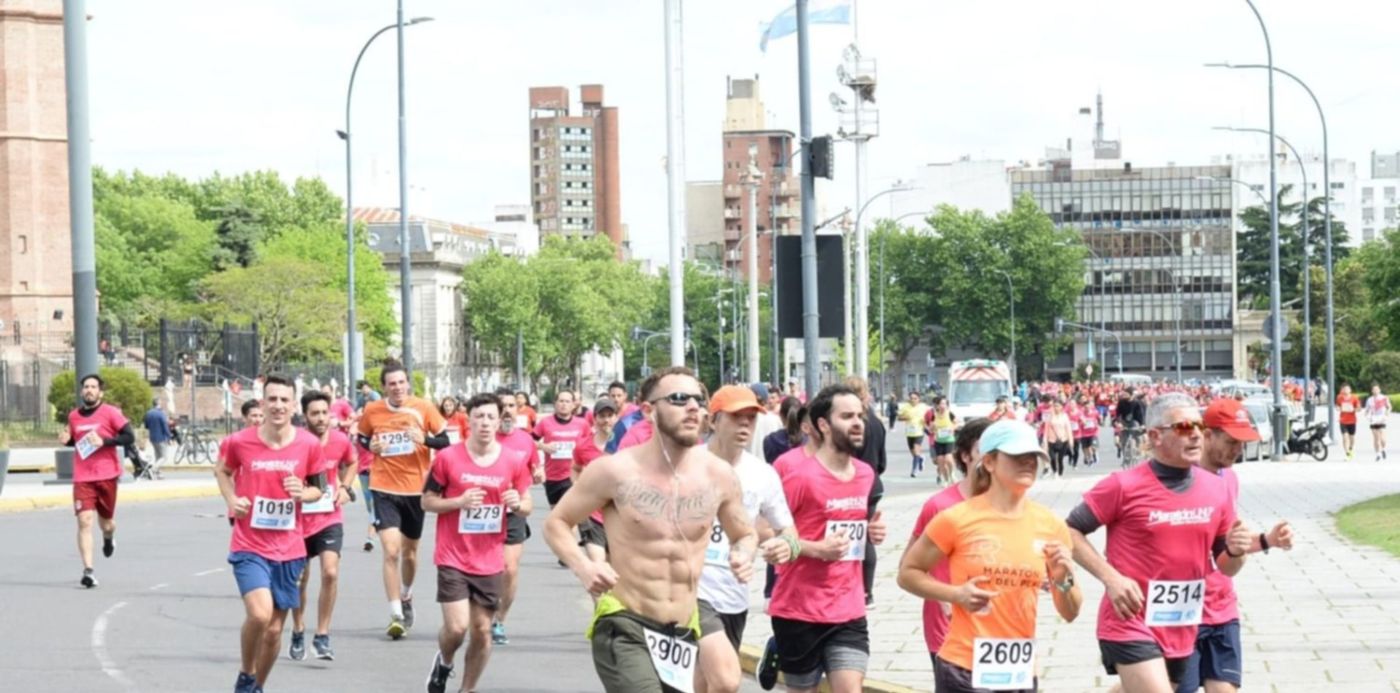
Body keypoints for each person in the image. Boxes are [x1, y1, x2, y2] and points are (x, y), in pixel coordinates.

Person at [543, 367, 758, 693]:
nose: (692, 408)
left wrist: (742, 553)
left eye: (698, 400)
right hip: (626, 622)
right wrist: (584, 566)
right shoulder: (614, 471)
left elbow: (744, 533)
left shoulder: (719, 476)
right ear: (648, 411)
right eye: (677, 399)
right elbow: (556, 523)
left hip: (683, 628)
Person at [1066, 392, 1252, 692]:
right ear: (1155, 436)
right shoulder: (1123, 486)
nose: (1195, 435)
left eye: (1198, 426)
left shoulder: (1217, 489)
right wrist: (1111, 578)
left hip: (1181, 622)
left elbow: (1226, 566)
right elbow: (1069, 531)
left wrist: (1236, 550)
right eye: (1183, 427)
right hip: (1130, 620)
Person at [898, 419, 1083, 691]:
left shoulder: (1051, 525)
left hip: (1018, 668)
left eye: (1033, 456)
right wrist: (955, 594)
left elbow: (1070, 612)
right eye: (1017, 456)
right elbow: (907, 574)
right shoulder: (956, 518)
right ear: (990, 462)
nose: (1028, 462)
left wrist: (1063, 578)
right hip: (964, 666)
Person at [764, 385, 889, 693]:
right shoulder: (799, 474)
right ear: (823, 425)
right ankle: (776, 646)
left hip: (848, 607)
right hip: (799, 608)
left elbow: (847, 524)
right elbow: (763, 531)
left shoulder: (864, 474)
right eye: (847, 416)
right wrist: (816, 549)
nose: (858, 422)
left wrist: (869, 529)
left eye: (859, 415)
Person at [214, 375, 325, 693]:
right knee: (260, 615)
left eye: (283, 400)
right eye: (271, 399)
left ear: (293, 405)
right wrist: (232, 499)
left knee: (275, 631)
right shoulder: (240, 442)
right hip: (249, 545)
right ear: (262, 403)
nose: (277, 405)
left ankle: (257, 686)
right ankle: (246, 673)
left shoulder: (309, 444)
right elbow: (222, 470)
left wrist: (303, 494)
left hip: (290, 548)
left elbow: (320, 489)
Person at [1176, 399, 1295, 693]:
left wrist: (1267, 540)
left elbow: (1228, 543)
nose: (1237, 450)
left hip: (1221, 608)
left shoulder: (1229, 478)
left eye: (1242, 443)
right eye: (1231, 441)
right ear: (1206, 435)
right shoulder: (1177, 480)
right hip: (1180, 611)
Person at [423, 393, 534, 693]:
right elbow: (427, 502)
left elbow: (527, 503)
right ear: (467, 421)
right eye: (479, 417)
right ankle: (445, 661)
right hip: (452, 555)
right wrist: (458, 501)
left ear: (499, 421)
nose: (485, 423)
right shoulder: (448, 458)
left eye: (490, 417)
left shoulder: (512, 461)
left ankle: (467, 689)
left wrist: (517, 503)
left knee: (483, 631)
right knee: (458, 628)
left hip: (488, 559)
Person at [695, 386, 797, 693]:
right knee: (727, 681)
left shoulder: (762, 474)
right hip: (689, 591)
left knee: (703, 684)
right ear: (713, 421)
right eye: (736, 417)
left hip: (733, 595)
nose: (745, 426)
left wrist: (785, 547)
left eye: (751, 419)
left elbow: (788, 530)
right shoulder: (685, 464)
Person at [356, 360, 450, 640]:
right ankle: (396, 613)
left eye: (401, 382)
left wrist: (424, 439)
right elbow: (361, 438)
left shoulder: (423, 407)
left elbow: (445, 441)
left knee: (410, 553)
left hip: (415, 490)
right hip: (383, 487)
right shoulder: (373, 410)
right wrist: (370, 446)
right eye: (391, 384)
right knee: (391, 551)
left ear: (408, 383)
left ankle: (406, 595)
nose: (397, 388)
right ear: (383, 387)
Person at [902, 418, 992, 672]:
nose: (992, 457)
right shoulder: (940, 506)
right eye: (984, 449)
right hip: (949, 629)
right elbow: (908, 568)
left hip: (999, 632)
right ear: (965, 456)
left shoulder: (1011, 506)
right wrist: (946, 596)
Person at [287, 390, 358, 662]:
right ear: (304, 416)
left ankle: (322, 635)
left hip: (329, 516)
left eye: (324, 413)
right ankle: (298, 628)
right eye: (314, 413)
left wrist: (345, 487)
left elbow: (352, 462)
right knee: (300, 580)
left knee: (330, 573)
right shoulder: (296, 442)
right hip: (299, 521)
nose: (320, 418)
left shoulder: (340, 441)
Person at [60, 374, 135, 588]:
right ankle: (88, 571)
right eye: (86, 387)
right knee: (84, 521)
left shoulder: (111, 412)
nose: (89, 390)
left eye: (93, 387)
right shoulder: (74, 416)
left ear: (100, 392)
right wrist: (67, 440)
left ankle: (109, 537)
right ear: (82, 391)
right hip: (83, 477)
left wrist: (105, 441)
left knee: (107, 523)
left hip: (107, 474)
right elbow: (77, 442)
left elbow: (129, 437)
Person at [491, 388, 543, 646]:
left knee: (510, 569)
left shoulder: (526, 440)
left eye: (511, 405)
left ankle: (499, 619)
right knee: (486, 569)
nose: (507, 410)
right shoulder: (484, 438)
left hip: (513, 510)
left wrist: (539, 473)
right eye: (502, 405)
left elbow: (535, 468)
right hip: (485, 511)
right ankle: (482, 611)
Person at [844, 376, 888, 607]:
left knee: (856, 535)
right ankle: (867, 590)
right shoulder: (877, 422)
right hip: (874, 484)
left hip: (852, 484)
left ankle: (859, 589)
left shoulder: (849, 425)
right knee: (865, 535)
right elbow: (882, 461)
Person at [572, 397, 619, 565]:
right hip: (591, 513)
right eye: (602, 416)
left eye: (610, 415)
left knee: (615, 567)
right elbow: (575, 468)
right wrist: (577, 486)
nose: (606, 420)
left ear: (616, 418)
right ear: (595, 418)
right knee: (598, 564)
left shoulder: (627, 444)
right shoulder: (583, 446)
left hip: (618, 513)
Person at [534, 389, 591, 508]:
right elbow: (528, 441)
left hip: (573, 475)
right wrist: (543, 446)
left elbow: (590, 446)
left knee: (569, 512)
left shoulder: (582, 424)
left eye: (567, 401)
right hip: (552, 476)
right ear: (555, 403)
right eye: (561, 401)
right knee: (555, 513)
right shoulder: (545, 422)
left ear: (573, 405)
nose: (564, 404)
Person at [925, 396, 959, 485]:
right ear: (937, 406)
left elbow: (957, 423)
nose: (943, 406)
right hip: (938, 441)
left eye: (944, 404)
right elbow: (930, 428)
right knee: (940, 460)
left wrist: (952, 428)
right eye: (941, 404)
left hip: (949, 440)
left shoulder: (950, 414)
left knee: (948, 458)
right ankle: (946, 479)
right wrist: (932, 428)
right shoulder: (934, 415)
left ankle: (952, 473)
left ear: (947, 405)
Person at [899, 391, 931, 477]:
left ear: (918, 399)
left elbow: (931, 415)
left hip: (919, 431)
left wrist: (927, 422)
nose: (913, 400)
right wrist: (904, 417)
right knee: (913, 452)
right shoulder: (906, 407)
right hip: (909, 432)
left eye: (915, 398)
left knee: (917, 450)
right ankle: (920, 458)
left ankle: (914, 470)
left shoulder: (923, 407)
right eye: (911, 398)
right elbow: (899, 417)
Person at [1044, 399, 1073, 478]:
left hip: (1063, 440)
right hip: (1051, 440)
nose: (1055, 408)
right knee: (1052, 458)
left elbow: (1068, 429)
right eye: (1054, 406)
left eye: (1057, 406)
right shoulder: (1049, 417)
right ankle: (1055, 472)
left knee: (1060, 459)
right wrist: (1045, 442)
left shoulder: (1065, 416)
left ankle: (1060, 474)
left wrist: (1071, 442)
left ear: (1061, 407)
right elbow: (1046, 430)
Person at [143, 398, 173, 471]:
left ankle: (157, 473)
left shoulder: (148, 413)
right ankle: (153, 469)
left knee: (157, 456)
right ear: (159, 403)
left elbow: (146, 426)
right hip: (161, 437)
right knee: (164, 457)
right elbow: (165, 426)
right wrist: (169, 437)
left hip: (152, 437)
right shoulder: (161, 414)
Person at [1365, 383, 1392, 461]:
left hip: (1381, 419)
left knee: (1382, 439)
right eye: (1374, 389)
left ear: (1379, 390)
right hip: (1373, 419)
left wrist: (1387, 413)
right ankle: (1378, 454)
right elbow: (1366, 410)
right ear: (1372, 391)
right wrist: (1368, 417)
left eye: (1377, 389)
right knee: (1376, 438)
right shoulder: (1369, 400)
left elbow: (1389, 407)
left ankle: (1383, 449)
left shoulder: (1384, 398)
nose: (1375, 391)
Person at [1336, 383, 1361, 460]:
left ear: (1350, 390)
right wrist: (1338, 408)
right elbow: (1337, 405)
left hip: (1352, 421)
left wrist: (1353, 409)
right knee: (1344, 437)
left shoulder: (1354, 397)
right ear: (1342, 390)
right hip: (1343, 421)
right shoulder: (1339, 397)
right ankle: (1347, 453)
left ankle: (1350, 449)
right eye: (1344, 389)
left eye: (1347, 389)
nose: (1346, 390)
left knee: (1352, 438)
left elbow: (1359, 408)